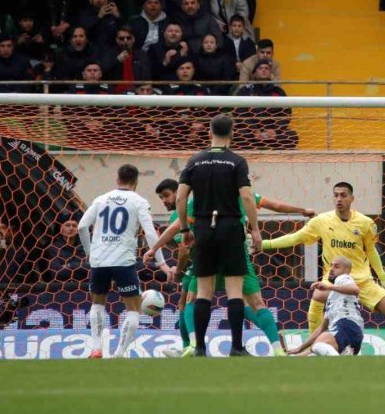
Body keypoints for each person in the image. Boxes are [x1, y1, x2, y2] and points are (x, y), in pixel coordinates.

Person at [147, 179, 314, 357]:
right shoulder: (242, 195)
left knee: (190, 301)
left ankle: (193, 345)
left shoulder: (198, 201)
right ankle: (275, 349)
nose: (164, 200)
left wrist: (158, 251)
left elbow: (181, 240)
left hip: (205, 257)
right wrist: (302, 210)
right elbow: (274, 205)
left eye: (165, 196)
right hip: (234, 253)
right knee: (251, 302)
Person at [260, 182, 385, 355]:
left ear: (352, 198)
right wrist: (265, 244)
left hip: (362, 282)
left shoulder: (365, 223)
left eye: (343, 195)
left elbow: (371, 252)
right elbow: (296, 238)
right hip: (332, 280)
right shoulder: (322, 221)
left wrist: (384, 280)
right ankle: (312, 349)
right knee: (317, 296)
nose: (339, 199)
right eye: (336, 195)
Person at [176, 114, 261, 357]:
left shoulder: (195, 161)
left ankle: (200, 348)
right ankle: (236, 347)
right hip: (230, 226)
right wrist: (254, 229)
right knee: (234, 291)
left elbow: (181, 197)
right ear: (231, 133)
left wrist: (184, 229)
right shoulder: (237, 161)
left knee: (204, 291)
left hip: (203, 228)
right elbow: (246, 197)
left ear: (209, 132)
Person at [77, 164, 170, 359]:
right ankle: (119, 353)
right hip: (123, 261)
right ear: (136, 183)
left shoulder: (101, 199)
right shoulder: (139, 202)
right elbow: (151, 233)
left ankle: (96, 349)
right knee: (133, 309)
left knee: (97, 304)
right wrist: (161, 262)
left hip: (99, 260)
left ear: (117, 180)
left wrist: (89, 253)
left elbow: (82, 227)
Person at [287, 257, 364, 356]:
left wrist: (329, 287)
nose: (331, 269)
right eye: (331, 265)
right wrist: (300, 348)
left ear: (346, 270)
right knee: (313, 351)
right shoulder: (333, 298)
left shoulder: (343, 278)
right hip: (351, 334)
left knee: (318, 345)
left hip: (346, 326)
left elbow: (355, 290)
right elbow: (322, 328)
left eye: (336, 266)